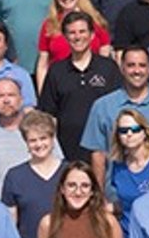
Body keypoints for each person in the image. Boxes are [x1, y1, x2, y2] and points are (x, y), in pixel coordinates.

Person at [78, 43, 149, 157]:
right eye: (131, 65)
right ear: (122, 68)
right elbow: (97, 154)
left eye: (142, 65)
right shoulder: (102, 107)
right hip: (116, 176)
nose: (137, 71)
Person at [36, 10, 122, 163]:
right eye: (72, 33)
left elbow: (119, 108)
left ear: (92, 35)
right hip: (68, 151)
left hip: (105, 150)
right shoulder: (57, 70)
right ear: (65, 36)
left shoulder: (108, 68)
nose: (77, 37)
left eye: (82, 31)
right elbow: (48, 114)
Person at [33, 0, 110, 82]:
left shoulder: (95, 20)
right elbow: (43, 64)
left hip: (91, 82)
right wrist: (42, 93)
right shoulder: (49, 25)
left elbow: (105, 56)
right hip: (59, 82)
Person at [103, 107, 149, 210]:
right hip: (127, 224)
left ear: (144, 132)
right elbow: (122, 202)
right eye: (123, 131)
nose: (129, 134)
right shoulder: (117, 166)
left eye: (135, 129)